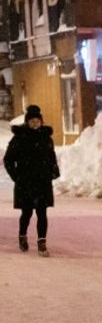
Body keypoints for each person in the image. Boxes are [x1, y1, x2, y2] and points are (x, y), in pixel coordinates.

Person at [4, 105, 60, 257]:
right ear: (27, 122)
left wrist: (53, 170)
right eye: (32, 121)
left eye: (37, 121)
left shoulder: (46, 138)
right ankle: (22, 235)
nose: (35, 124)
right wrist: (16, 176)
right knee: (27, 213)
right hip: (25, 182)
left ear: (41, 122)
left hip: (42, 181)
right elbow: (8, 159)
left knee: (42, 213)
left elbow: (51, 157)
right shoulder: (20, 138)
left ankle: (42, 243)